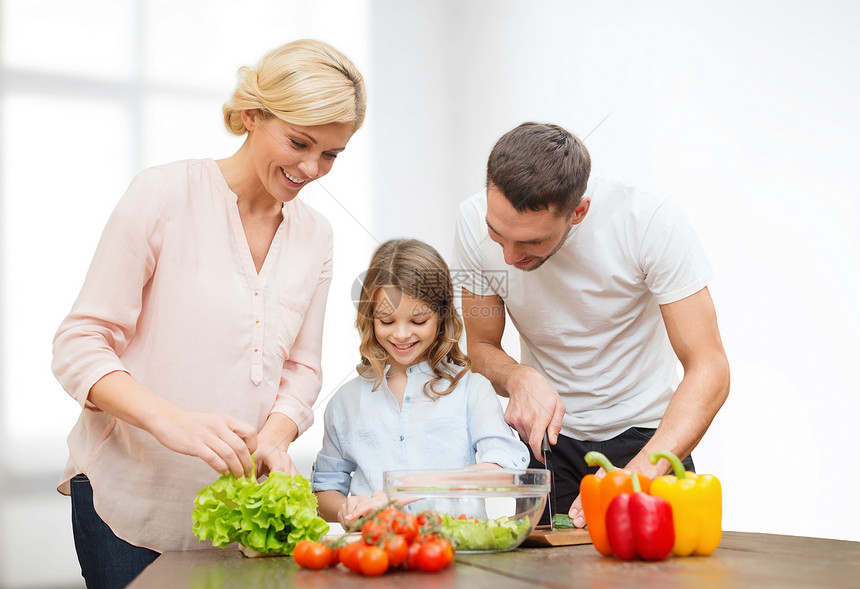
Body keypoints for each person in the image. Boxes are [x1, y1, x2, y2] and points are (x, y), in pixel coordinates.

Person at [51, 39, 366, 588]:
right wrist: (169, 419)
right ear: (251, 115)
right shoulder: (164, 194)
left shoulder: (316, 234)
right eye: (299, 142)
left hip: (239, 517)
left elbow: (301, 368)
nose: (312, 168)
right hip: (132, 505)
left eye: (331, 154)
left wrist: (275, 435)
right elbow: (79, 344)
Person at [452, 122, 730, 528]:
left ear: (578, 212)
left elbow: (710, 367)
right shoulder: (471, 220)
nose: (510, 257)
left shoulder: (648, 218)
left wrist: (641, 472)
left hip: (651, 437)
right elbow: (480, 348)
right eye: (498, 235)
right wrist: (517, 377)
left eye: (532, 242)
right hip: (546, 442)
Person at [311, 239, 529, 525]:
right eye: (387, 321)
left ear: (441, 316)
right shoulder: (345, 402)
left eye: (418, 321)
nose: (401, 335)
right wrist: (344, 510)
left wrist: (413, 488)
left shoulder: (471, 390)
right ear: (370, 318)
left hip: (454, 555)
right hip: (375, 554)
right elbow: (325, 489)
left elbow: (505, 469)